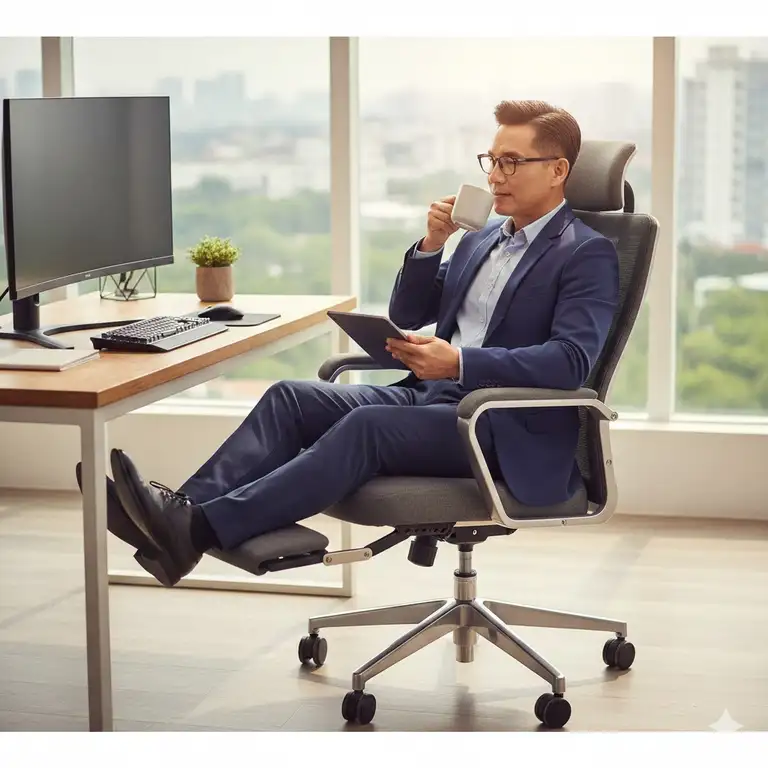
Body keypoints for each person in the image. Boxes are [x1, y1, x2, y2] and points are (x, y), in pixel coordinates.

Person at [81, 99, 619, 587]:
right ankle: (179, 514)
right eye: (491, 159)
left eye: (511, 162)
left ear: (557, 170)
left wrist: (459, 361)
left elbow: (570, 363)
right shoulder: (481, 238)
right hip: (431, 400)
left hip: (499, 426)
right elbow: (409, 312)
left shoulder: (584, 253)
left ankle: (195, 530)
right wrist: (432, 245)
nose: (495, 176)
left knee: (366, 426)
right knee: (290, 397)